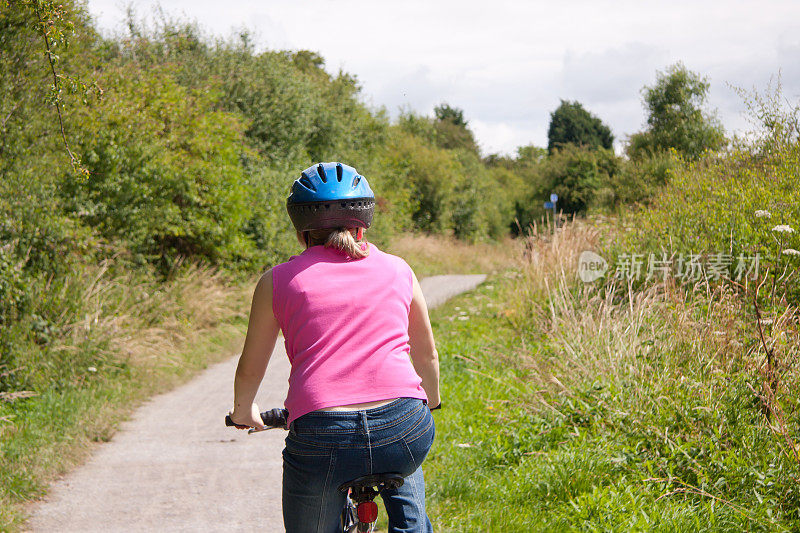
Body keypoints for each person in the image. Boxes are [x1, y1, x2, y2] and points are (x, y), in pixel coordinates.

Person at [229, 162, 440, 533]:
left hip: (322, 434)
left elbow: (250, 367)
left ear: (301, 232)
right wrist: (432, 400)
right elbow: (426, 355)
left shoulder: (277, 281)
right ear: (363, 224)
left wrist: (244, 411)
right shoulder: (399, 269)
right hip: (403, 425)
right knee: (401, 448)